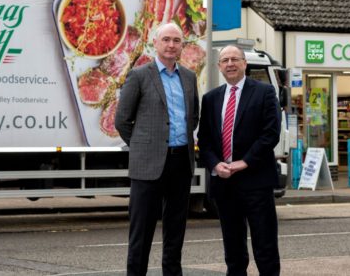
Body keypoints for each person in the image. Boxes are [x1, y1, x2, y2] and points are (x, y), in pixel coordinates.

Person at [115, 22, 199, 276]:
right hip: (148, 165)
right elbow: (122, 120)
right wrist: (144, 146)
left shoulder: (189, 77)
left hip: (180, 163)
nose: (171, 45)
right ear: (156, 43)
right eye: (166, 40)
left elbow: (193, 116)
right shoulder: (140, 75)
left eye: (176, 40)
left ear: (182, 45)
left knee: (175, 231)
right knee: (141, 231)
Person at [197, 45, 282, 275]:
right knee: (233, 251)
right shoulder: (211, 98)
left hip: (256, 181)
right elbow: (204, 140)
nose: (230, 63)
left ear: (245, 63)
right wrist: (216, 164)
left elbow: (271, 133)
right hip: (225, 184)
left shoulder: (264, 92)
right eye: (225, 60)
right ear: (219, 66)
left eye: (235, 59)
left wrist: (244, 162)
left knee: (265, 247)